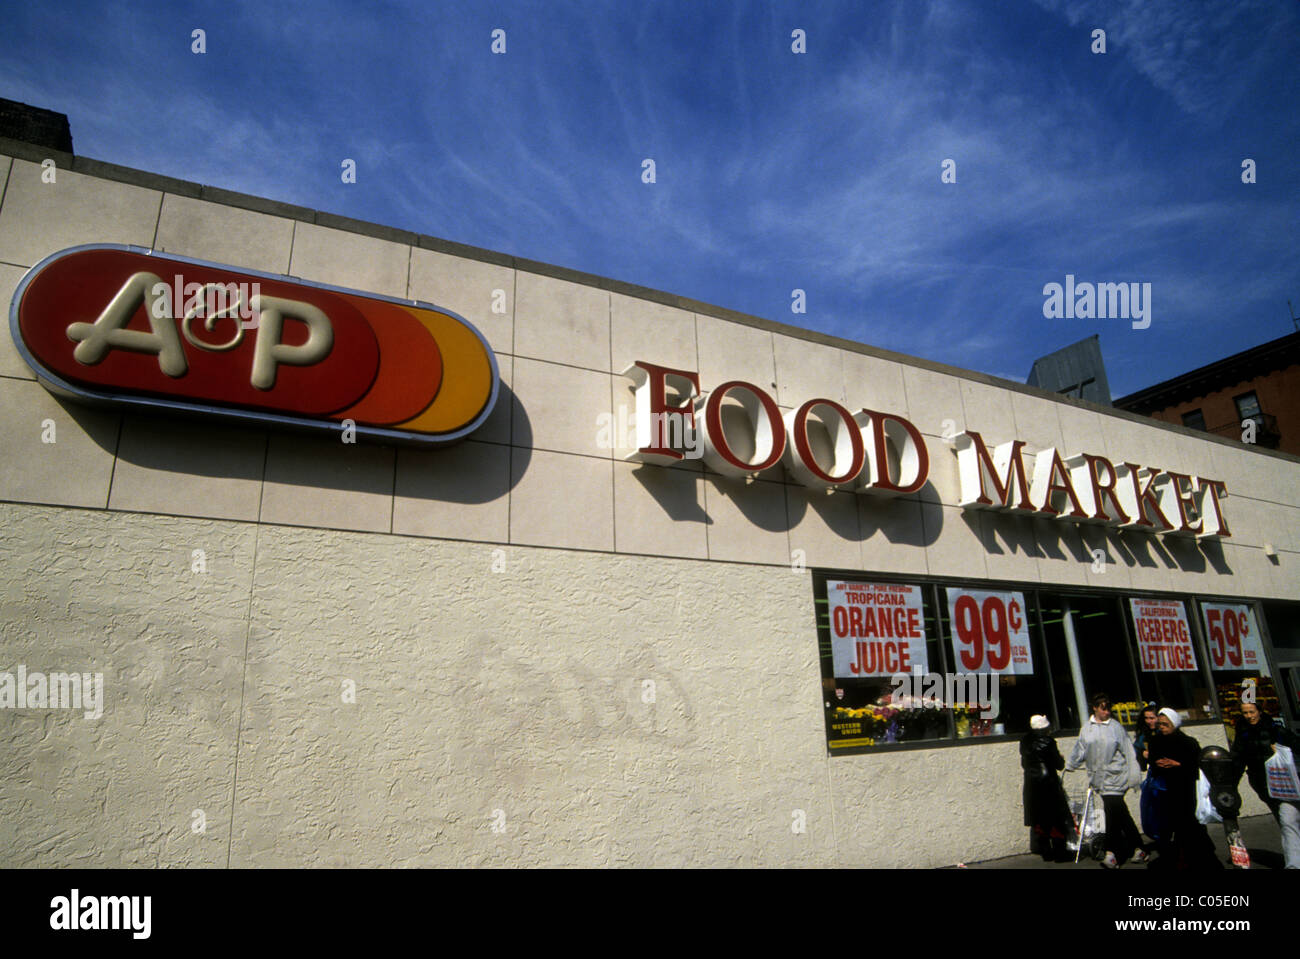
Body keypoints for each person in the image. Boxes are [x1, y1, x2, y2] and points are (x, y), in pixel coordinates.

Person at [1065, 693, 1146, 868]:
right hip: (1099, 779)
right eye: (1103, 708)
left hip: (1117, 777)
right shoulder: (1087, 728)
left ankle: (1111, 853)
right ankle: (1139, 847)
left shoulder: (1116, 727)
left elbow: (1129, 752)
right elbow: (1081, 747)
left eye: (1109, 708)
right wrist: (1071, 764)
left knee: (1111, 813)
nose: (1107, 712)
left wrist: (1133, 777)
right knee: (1120, 813)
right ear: (1094, 708)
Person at [1146, 707, 1221, 870]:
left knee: (1188, 825)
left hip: (1185, 790)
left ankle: (1201, 858)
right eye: (1160, 724)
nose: (1162, 728)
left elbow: (1198, 766)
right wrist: (1158, 763)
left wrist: (1178, 764)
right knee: (1175, 827)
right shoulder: (1156, 741)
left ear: (1174, 724)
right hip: (1166, 790)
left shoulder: (1188, 742)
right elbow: (1152, 760)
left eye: (1166, 724)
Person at [1229, 701, 1300, 869]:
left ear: (1260, 711)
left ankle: (1294, 864)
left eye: (1252, 712)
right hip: (1265, 786)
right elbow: (1237, 762)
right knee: (1285, 821)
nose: (1249, 716)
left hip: (1287, 783)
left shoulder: (1275, 729)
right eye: (1245, 713)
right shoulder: (1243, 735)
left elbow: (1296, 745)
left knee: (1288, 820)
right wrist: (1231, 786)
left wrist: (1282, 750)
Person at [1021, 715, 1073, 862]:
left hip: (1032, 784)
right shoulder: (1049, 742)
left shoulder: (1024, 742)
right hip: (1049, 783)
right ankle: (1060, 852)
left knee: (1039, 818)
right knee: (1056, 818)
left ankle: (1045, 851)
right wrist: (1061, 759)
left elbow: (1024, 763)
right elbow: (1058, 764)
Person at [1133, 703, 1160, 772]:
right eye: (1146, 718)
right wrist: (1142, 752)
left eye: (1152, 718)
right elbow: (1135, 749)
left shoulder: (1163, 732)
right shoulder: (1143, 734)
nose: (1148, 721)